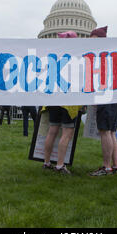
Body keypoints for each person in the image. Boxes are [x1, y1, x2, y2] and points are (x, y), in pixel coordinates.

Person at [42, 31, 81, 174]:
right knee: (66, 133)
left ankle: (46, 162)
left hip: (54, 99)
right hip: (69, 102)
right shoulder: (76, 58)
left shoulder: (55, 56)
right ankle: (59, 165)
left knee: (52, 131)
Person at [87, 26, 117, 176]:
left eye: (93, 39)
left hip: (106, 97)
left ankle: (106, 167)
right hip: (115, 97)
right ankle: (116, 166)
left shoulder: (102, 57)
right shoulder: (112, 56)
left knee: (105, 132)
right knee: (111, 132)